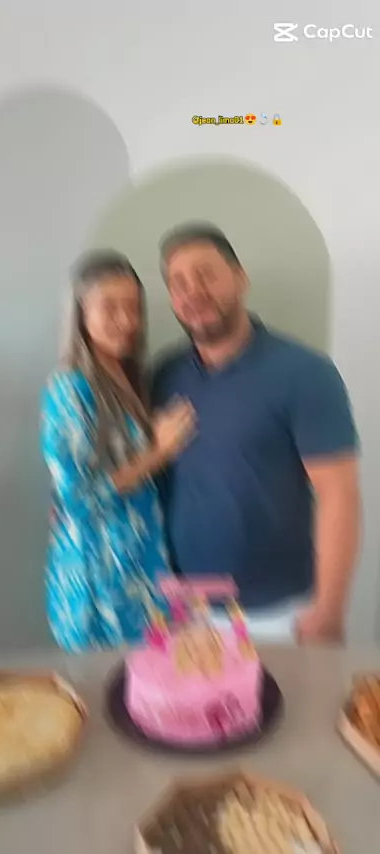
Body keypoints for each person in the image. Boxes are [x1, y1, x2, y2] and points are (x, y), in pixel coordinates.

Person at [151, 222, 361, 644]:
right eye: (179, 283)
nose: (193, 291)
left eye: (206, 275)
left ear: (240, 278)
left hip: (280, 615)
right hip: (183, 612)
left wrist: (329, 611)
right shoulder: (164, 375)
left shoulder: (305, 373)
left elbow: (339, 495)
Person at [41, 250, 196, 653]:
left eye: (133, 308)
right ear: (80, 313)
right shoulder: (70, 389)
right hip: (100, 579)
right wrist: (158, 453)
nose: (127, 321)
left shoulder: (129, 376)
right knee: (110, 685)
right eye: (110, 308)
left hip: (140, 568)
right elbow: (78, 500)